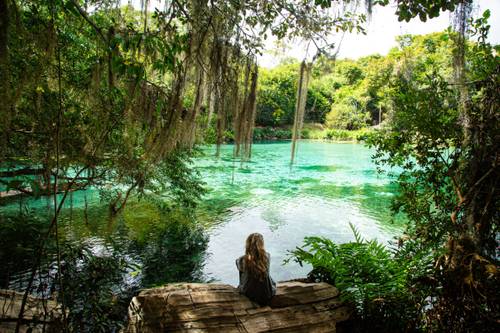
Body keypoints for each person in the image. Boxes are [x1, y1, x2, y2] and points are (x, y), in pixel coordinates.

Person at [236, 233, 276, 305]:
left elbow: (241, 274)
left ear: (247, 245)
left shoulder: (241, 260)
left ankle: (243, 286)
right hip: (267, 293)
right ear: (262, 245)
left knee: (243, 275)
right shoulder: (267, 257)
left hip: (249, 293)